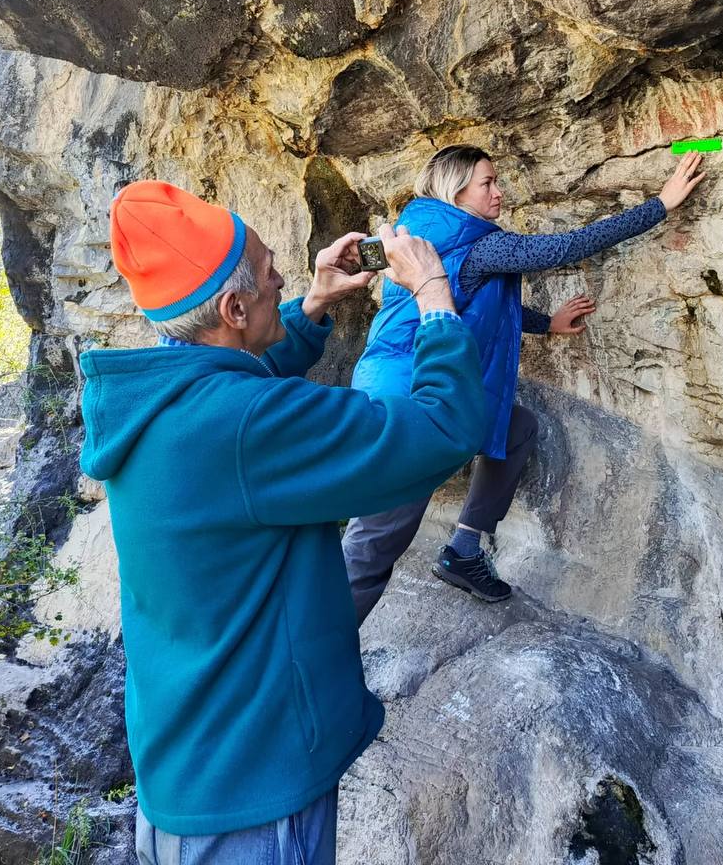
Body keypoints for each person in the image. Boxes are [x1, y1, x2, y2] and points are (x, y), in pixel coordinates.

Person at [78, 180, 488, 865]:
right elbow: (445, 428)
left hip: (192, 767)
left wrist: (317, 303)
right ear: (234, 308)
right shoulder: (243, 425)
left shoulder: (156, 400)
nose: (283, 282)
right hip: (253, 794)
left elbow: (239, 373)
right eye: (273, 278)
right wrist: (435, 296)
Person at [344, 146, 707, 620]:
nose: (499, 192)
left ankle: (465, 550)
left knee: (515, 428)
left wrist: (546, 324)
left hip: (401, 385)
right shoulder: (480, 244)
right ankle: (310, 654)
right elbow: (564, 248)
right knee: (375, 542)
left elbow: (475, 302)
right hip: (409, 403)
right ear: (457, 191)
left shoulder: (414, 233)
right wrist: (660, 204)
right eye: (487, 183)